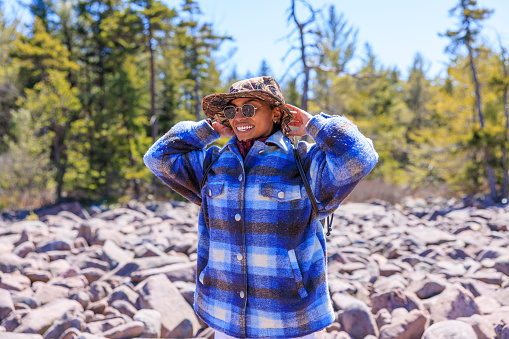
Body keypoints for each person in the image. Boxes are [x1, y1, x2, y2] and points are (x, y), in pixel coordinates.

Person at [144, 76, 378, 339]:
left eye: (249, 109)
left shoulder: (304, 163)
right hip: (225, 315)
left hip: (289, 319)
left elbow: (360, 157)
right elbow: (157, 157)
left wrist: (314, 125)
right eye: (232, 111)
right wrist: (208, 130)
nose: (239, 117)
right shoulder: (214, 164)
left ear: (277, 112)